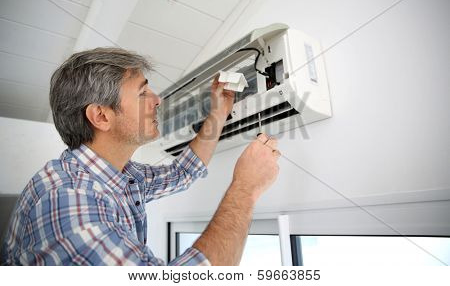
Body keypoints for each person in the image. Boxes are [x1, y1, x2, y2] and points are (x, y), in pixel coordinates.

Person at [1, 47, 280, 266]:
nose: (157, 99)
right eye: (142, 92)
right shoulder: (68, 197)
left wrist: (219, 112)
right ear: (101, 115)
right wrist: (245, 189)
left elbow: (182, 174)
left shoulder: (120, 175)